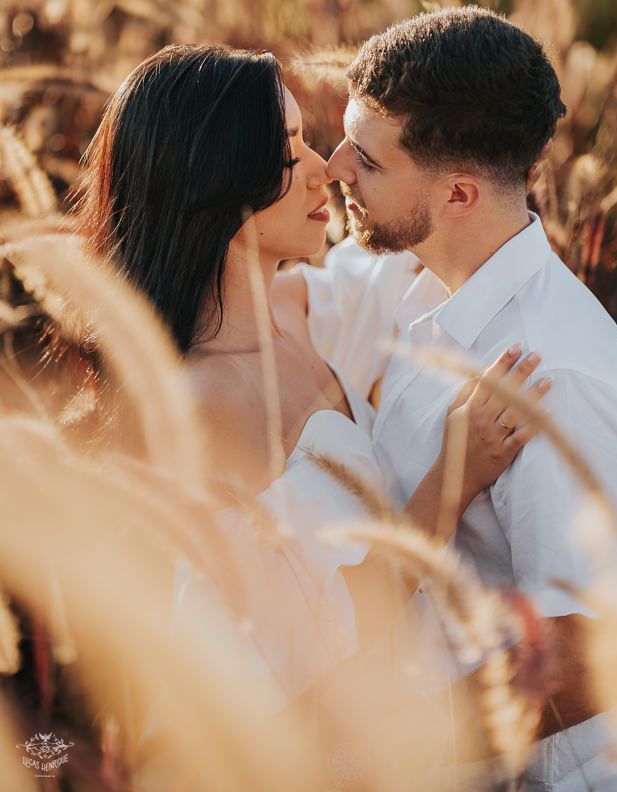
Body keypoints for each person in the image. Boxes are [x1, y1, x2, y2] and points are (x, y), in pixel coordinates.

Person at [77, 43, 549, 732]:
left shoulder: (298, 310)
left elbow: (414, 252)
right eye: (291, 147)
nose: (323, 169)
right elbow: (311, 634)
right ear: (221, 177)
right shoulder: (206, 405)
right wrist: (455, 477)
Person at [288, 6, 617, 790]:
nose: (336, 166)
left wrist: (374, 751)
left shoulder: (552, 379)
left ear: (458, 195)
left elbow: (583, 652)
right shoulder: (419, 279)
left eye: (369, 161)